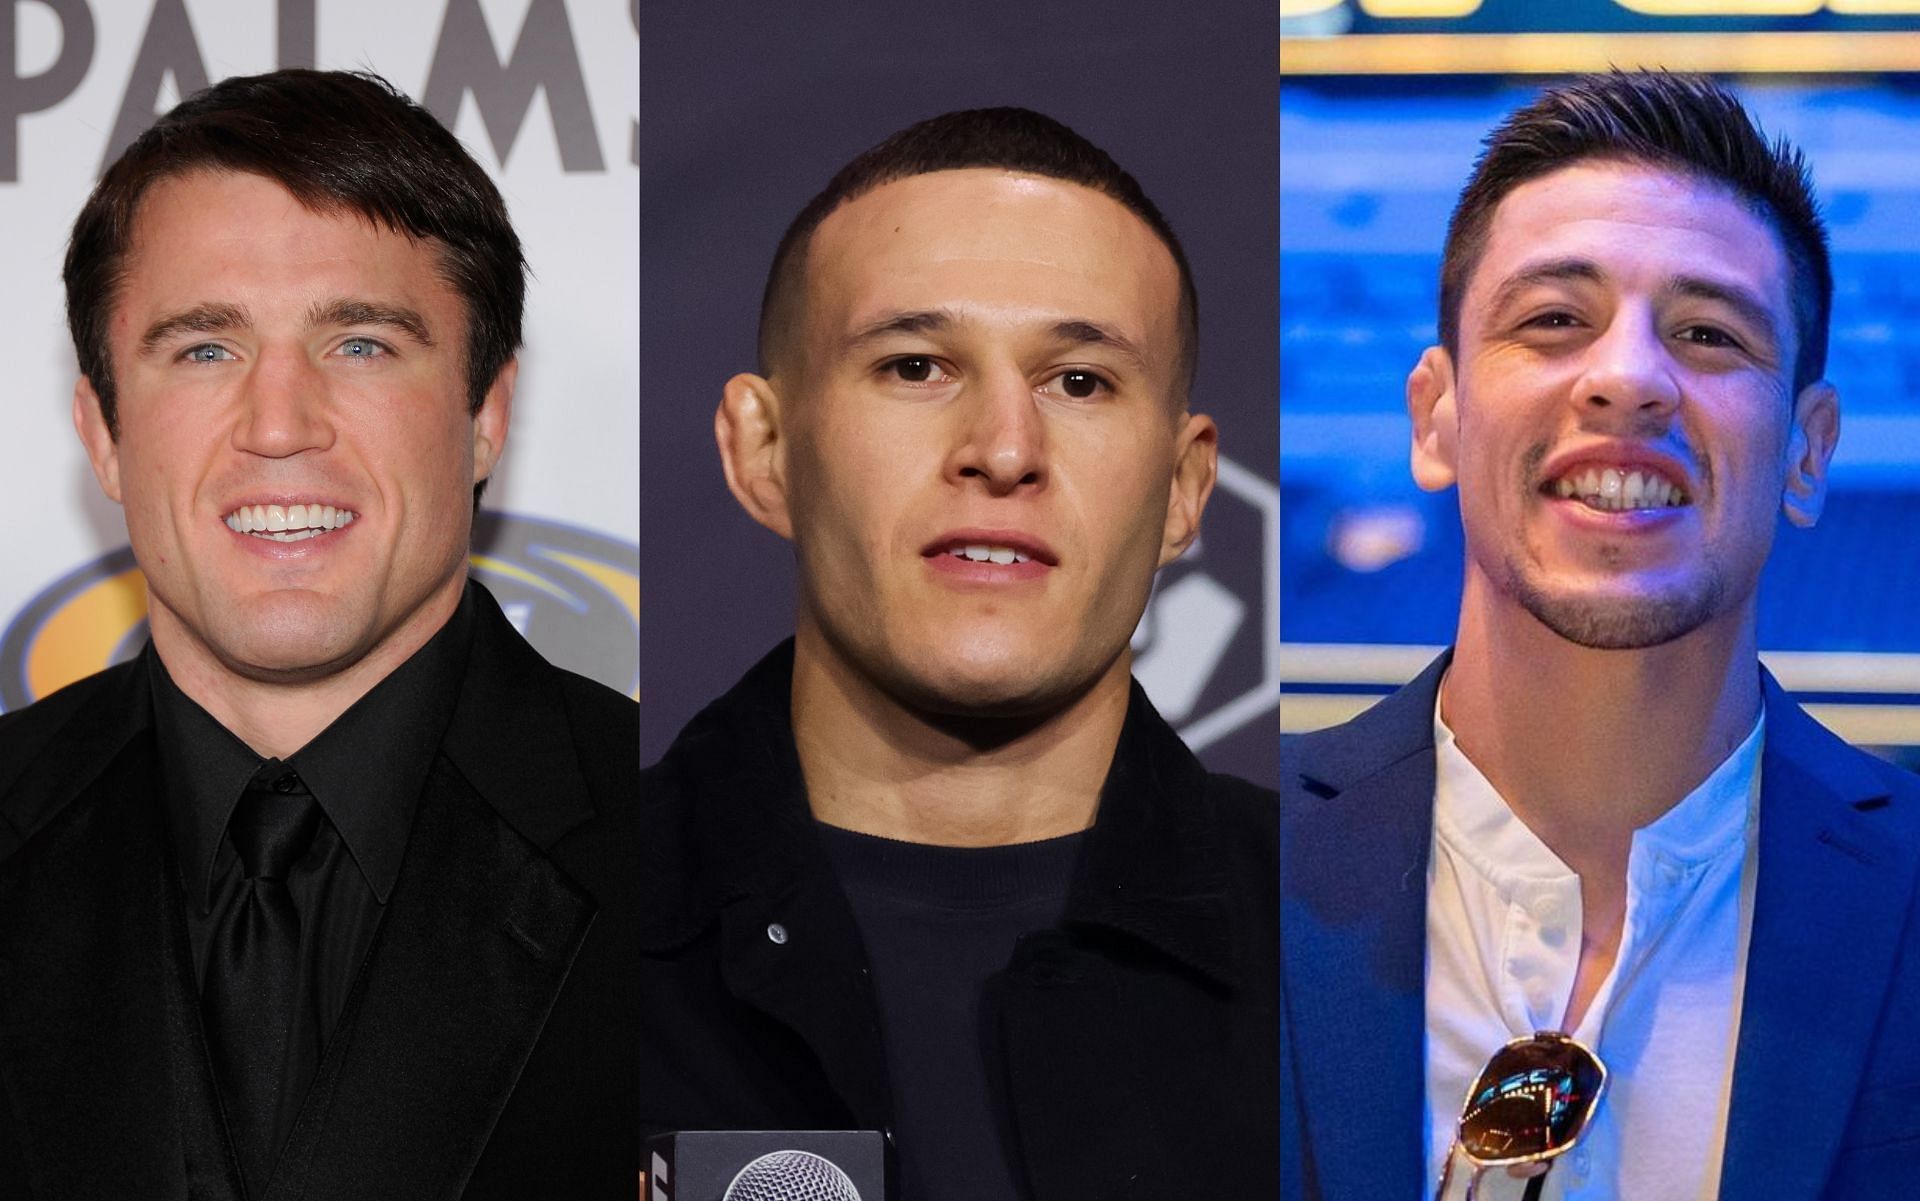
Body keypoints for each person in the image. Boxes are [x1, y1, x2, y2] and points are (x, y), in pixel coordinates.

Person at [1280, 72, 1920, 1200]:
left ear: (1809, 451)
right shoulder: (1209, 873)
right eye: (1554, 321)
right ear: (1436, 415)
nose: (1627, 378)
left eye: (1709, 333)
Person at [0, 70, 636, 1199]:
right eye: (205, 348)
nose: (280, 425)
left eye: (361, 344)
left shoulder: (682, 842)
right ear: (102, 433)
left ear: (485, 413)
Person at [639, 107, 1277, 1200]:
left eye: (1079, 381)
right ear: (765, 448)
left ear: (1183, 490)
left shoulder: (1356, 956)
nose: (1004, 449)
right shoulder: (540, 932)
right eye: (917, 366)